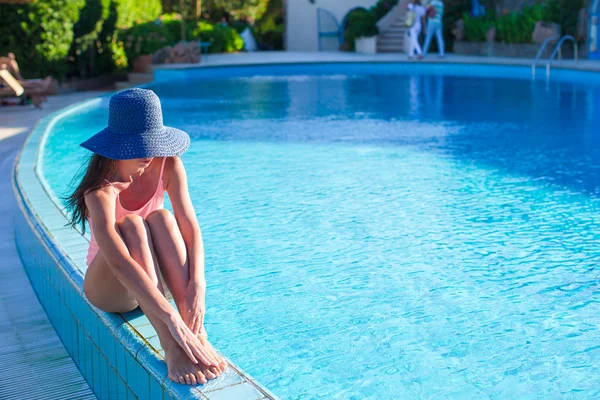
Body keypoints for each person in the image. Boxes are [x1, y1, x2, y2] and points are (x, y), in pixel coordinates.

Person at [67, 88, 228, 385]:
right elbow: (119, 263)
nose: (150, 152)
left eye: (152, 142)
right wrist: (170, 318)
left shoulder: (168, 165)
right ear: (118, 145)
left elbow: (190, 227)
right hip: (111, 288)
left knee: (163, 217)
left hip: (152, 280)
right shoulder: (99, 191)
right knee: (131, 225)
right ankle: (171, 346)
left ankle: (196, 333)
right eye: (140, 144)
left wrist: (197, 286)